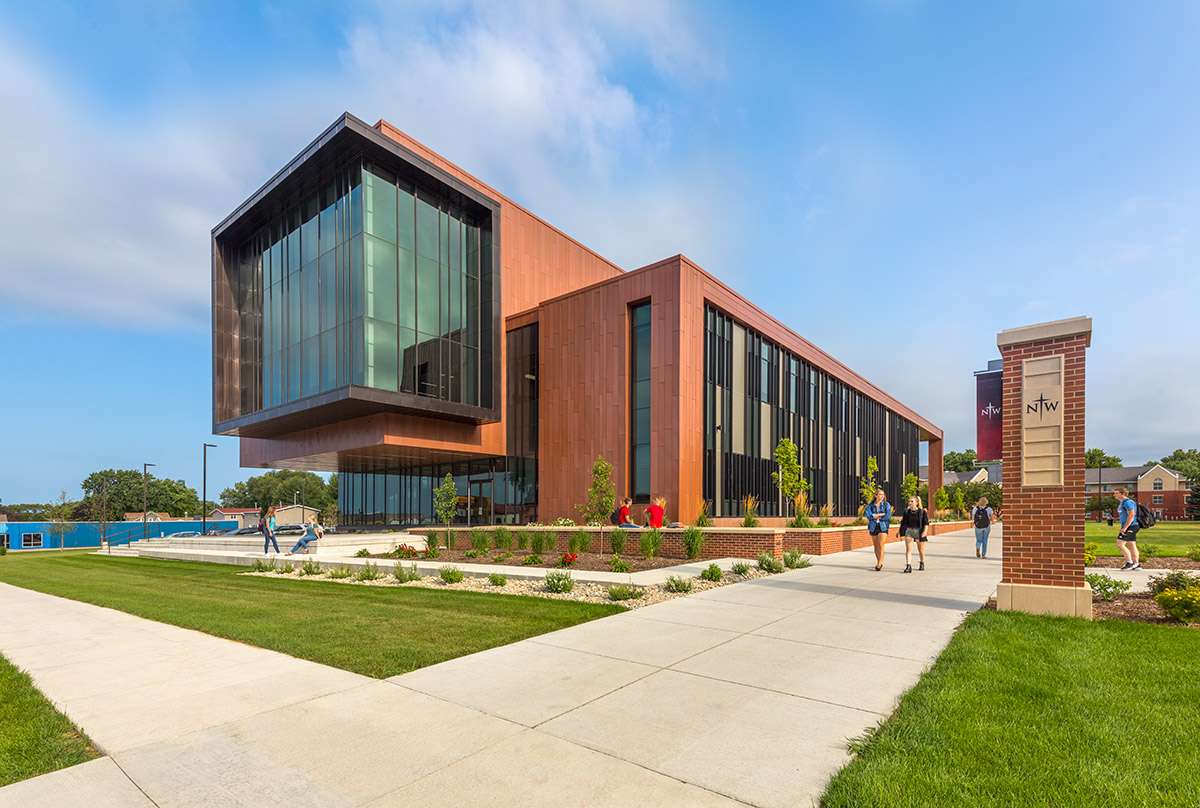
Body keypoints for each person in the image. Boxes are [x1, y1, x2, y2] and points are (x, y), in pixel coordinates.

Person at [896, 496, 930, 572]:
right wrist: (899, 531)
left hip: (919, 531)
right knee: (908, 549)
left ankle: (922, 562)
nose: (910, 503)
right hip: (909, 531)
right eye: (909, 501)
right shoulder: (907, 512)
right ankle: (908, 566)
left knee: (920, 549)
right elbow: (903, 523)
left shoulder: (922, 512)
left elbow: (926, 523)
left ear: (917, 502)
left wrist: (925, 531)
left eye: (912, 501)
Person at [865, 489, 892, 571]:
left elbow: (888, 516)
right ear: (876, 495)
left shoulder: (886, 505)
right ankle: (879, 561)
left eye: (883, 495)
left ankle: (879, 564)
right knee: (876, 545)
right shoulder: (871, 505)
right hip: (873, 526)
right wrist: (879, 514)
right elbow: (868, 515)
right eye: (880, 494)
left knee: (881, 544)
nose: (882, 496)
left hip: (883, 526)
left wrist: (876, 516)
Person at [1114, 487, 1141, 571]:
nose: (1114, 495)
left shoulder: (1128, 502)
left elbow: (1131, 515)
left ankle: (1129, 563)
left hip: (1131, 526)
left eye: (1116, 493)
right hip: (1129, 526)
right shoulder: (1122, 503)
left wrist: (1125, 528)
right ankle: (1136, 564)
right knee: (1131, 545)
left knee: (1120, 543)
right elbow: (1125, 515)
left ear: (1123, 494)